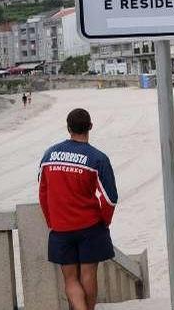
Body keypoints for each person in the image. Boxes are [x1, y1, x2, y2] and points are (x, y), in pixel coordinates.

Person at [39, 109, 118, 310]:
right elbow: (110, 199)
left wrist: (52, 221)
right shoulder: (98, 158)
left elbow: (43, 193)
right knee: (89, 274)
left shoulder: (50, 155)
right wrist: (104, 222)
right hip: (90, 226)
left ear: (68, 127)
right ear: (90, 126)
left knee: (70, 280)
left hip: (61, 228)